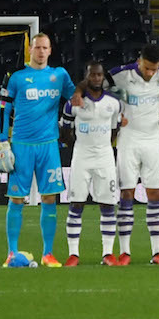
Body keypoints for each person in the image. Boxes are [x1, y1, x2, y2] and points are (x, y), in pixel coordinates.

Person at [0, 32, 74, 267]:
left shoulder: (59, 75)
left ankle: (48, 254)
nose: (41, 51)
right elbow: (3, 109)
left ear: (50, 51)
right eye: (37, 47)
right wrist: (2, 141)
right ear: (30, 49)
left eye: (45, 48)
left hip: (49, 146)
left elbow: (77, 100)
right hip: (21, 146)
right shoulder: (16, 77)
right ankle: (11, 253)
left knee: (49, 197)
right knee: (17, 199)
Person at [109, 45, 159, 265]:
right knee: (126, 193)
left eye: (153, 70)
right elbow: (98, 89)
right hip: (128, 140)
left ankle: (157, 252)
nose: (150, 73)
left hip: (153, 141)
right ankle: (125, 252)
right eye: (147, 68)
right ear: (140, 61)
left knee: (155, 194)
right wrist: (116, 114)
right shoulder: (120, 75)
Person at [62, 61, 123, 267]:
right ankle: (73, 254)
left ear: (103, 77)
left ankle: (107, 254)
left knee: (107, 204)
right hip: (81, 156)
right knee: (76, 203)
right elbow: (65, 130)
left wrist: (105, 144)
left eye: (99, 75)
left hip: (105, 157)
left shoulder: (114, 103)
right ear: (86, 77)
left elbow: (115, 127)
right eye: (92, 75)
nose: (96, 78)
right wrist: (78, 145)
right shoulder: (73, 102)